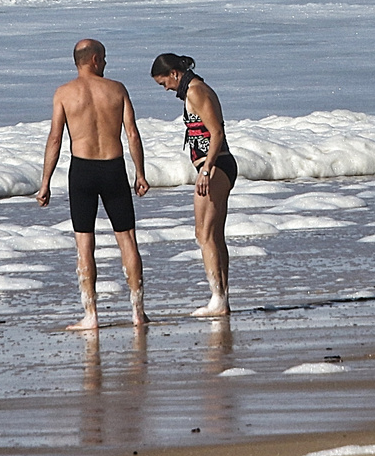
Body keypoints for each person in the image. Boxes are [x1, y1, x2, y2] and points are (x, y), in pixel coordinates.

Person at [36, 38, 150, 329]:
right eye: (105, 58)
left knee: (84, 244)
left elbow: (55, 139)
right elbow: (133, 135)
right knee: (127, 240)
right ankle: (137, 312)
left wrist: (45, 182)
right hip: (113, 168)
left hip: (82, 171)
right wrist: (140, 173)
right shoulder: (117, 89)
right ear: (95, 59)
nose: (107, 63)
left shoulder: (63, 93)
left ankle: (91, 316)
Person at [151, 53, 238, 317]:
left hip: (216, 167)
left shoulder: (196, 91)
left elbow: (217, 132)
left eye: (163, 82)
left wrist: (206, 170)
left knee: (204, 235)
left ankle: (218, 299)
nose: (165, 88)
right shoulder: (195, 89)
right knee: (214, 235)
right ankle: (222, 298)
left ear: (175, 73)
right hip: (218, 166)